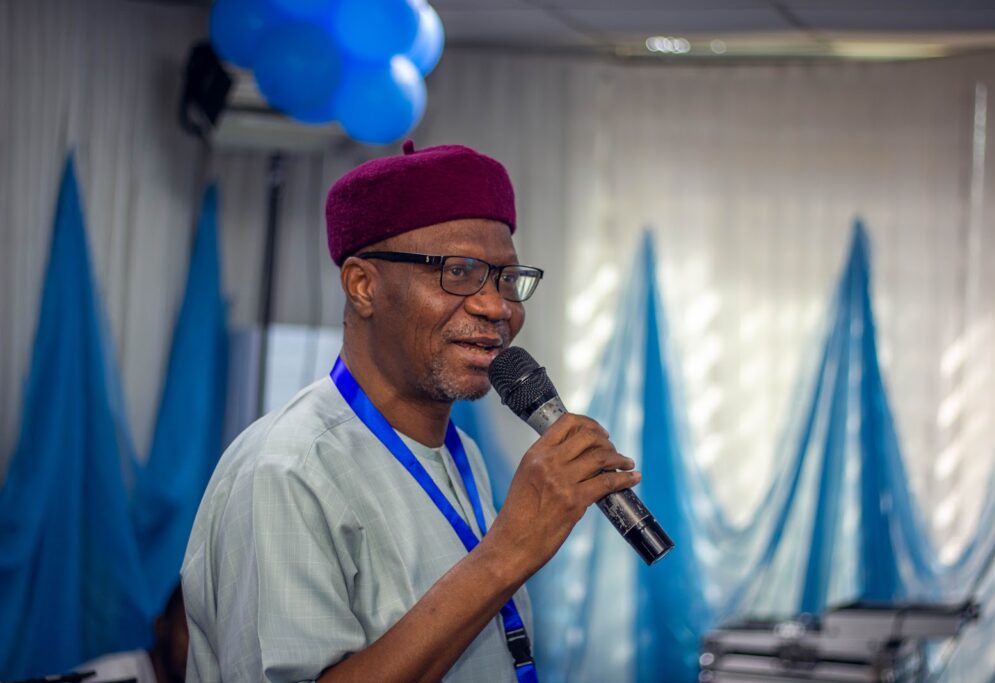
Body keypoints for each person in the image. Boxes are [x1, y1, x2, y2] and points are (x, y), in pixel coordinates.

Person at [180, 141, 639, 682]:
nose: (497, 307)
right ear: (363, 286)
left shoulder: (457, 453)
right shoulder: (288, 469)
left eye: (506, 278)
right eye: (459, 271)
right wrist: (507, 553)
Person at [76, 584, 188, 683]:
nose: (199, 648)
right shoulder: (108, 677)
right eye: (189, 632)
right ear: (161, 627)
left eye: (205, 636)